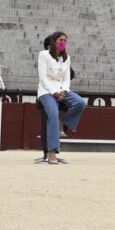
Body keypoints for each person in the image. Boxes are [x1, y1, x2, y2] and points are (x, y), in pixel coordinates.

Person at [37, 30, 88, 165]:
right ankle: (52, 152)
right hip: (46, 91)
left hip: (62, 90)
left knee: (80, 103)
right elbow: (43, 77)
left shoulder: (66, 58)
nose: (63, 43)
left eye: (65, 40)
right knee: (53, 113)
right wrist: (54, 92)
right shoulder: (44, 55)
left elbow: (67, 79)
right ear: (54, 42)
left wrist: (64, 91)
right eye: (60, 40)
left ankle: (63, 125)